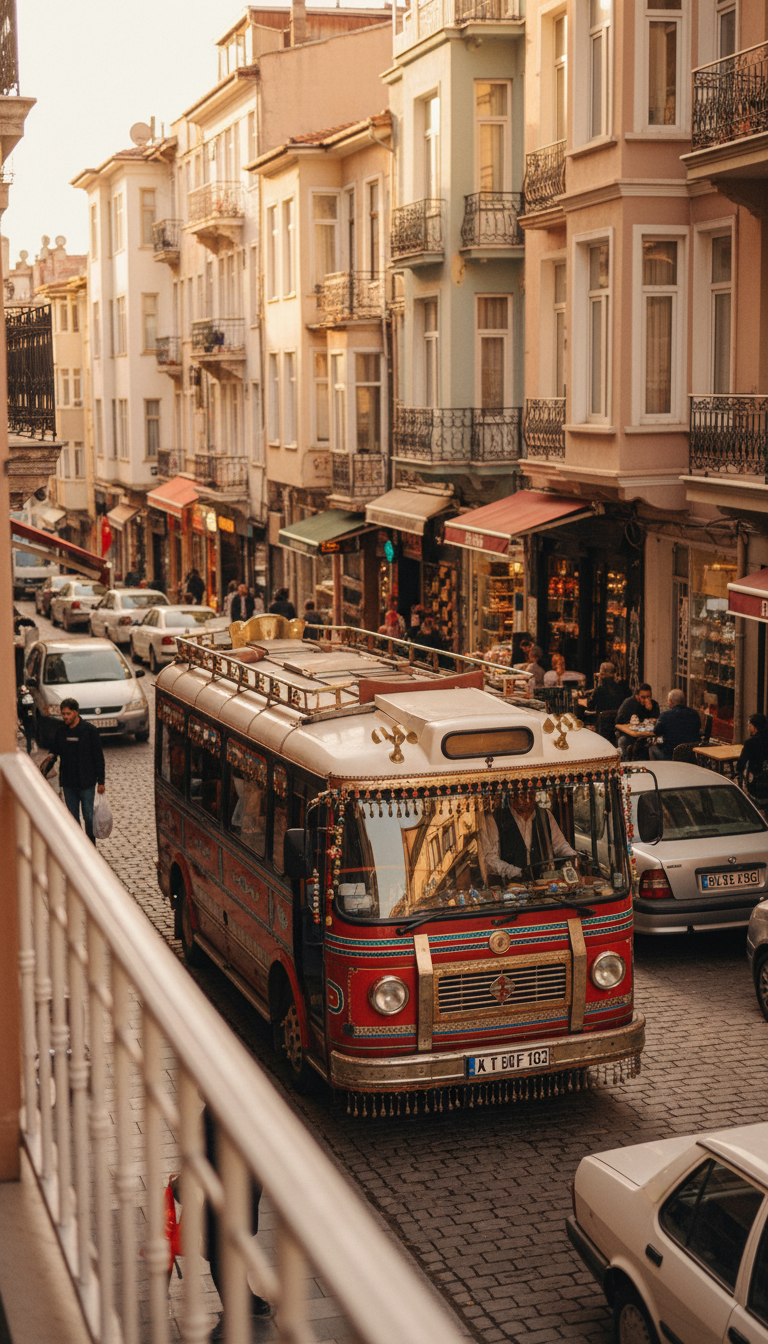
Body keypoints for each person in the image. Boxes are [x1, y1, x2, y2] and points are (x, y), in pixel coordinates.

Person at [203, 1106, 270, 1340]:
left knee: (220, 1253)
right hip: (240, 1192)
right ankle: (242, 1302)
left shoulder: (212, 1118)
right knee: (232, 1249)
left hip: (227, 1195)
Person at [479, 791, 576, 884]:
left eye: (530, 794)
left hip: (545, 884)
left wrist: (572, 855)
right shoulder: (495, 819)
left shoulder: (545, 815)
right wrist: (515, 872)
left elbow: (559, 844)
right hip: (511, 889)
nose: (527, 800)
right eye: (522, 795)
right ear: (512, 796)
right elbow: (490, 860)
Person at [44, 698, 106, 844]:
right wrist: (48, 760)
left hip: (87, 783)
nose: (65, 717)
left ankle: (91, 846)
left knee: (89, 817)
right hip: (68, 783)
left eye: (68, 714)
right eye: (63, 714)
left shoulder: (89, 731)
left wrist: (101, 782)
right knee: (73, 819)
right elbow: (55, 750)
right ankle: (80, 846)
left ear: (76, 712)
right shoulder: (60, 732)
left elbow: (99, 757)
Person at [651, 688, 702, 761]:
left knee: (651, 748)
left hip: (671, 755)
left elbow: (656, 732)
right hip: (691, 755)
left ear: (670, 702)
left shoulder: (665, 715)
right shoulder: (694, 714)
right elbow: (698, 728)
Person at [616, 683, 661, 759]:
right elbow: (619, 720)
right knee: (623, 741)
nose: (646, 699)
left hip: (647, 736)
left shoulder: (654, 704)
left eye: (648, 696)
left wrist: (650, 710)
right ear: (637, 696)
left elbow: (657, 721)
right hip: (629, 735)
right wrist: (631, 722)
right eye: (643, 697)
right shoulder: (628, 703)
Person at [738, 714, 768, 792]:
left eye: (750, 726)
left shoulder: (750, 743)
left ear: (754, 728)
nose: (749, 728)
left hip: (756, 782)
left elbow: (741, 764)